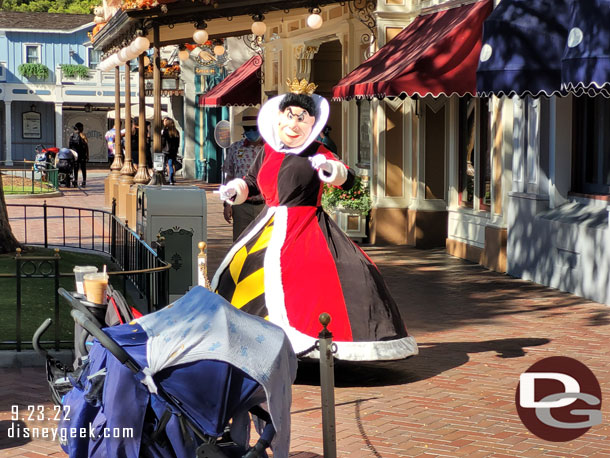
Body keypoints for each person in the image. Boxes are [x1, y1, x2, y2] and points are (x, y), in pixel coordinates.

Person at [212, 78, 418, 361]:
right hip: (268, 224)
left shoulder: (318, 152)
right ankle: (252, 338)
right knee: (244, 272)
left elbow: (348, 180)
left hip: (307, 225)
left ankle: (309, 341)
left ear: (312, 123)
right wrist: (235, 190)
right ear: (279, 117)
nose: (293, 125)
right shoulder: (268, 151)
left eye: (301, 118)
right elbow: (252, 183)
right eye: (289, 117)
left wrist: (332, 170)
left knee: (330, 275)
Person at [222, 107, 265, 241]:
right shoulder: (235, 148)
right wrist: (227, 204)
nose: (251, 131)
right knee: (240, 243)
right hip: (241, 206)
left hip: (265, 205)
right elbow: (228, 176)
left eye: (254, 128)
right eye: (247, 129)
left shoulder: (270, 148)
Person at [161, 117, 180, 185]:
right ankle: (171, 179)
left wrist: (161, 147)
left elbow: (163, 141)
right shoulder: (176, 132)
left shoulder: (165, 131)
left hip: (165, 150)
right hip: (173, 151)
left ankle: (162, 178)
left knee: (163, 164)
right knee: (170, 165)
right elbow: (178, 143)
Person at [69, 122, 89, 187]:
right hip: (82, 154)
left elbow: (70, 146)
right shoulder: (82, 135)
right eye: (82, 127)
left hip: (75, 155)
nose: (83, 128)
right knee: (83, 168)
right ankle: (84, 181)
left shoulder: (72, 135)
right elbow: (86, 146)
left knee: (75, 168)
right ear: (80, 128)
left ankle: (75, 181)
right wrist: (87, 155)